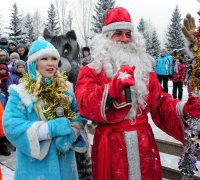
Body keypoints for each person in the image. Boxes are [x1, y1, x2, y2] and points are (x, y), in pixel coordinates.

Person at [75, 7, 200, 180]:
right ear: (106, 38)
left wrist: (184, 110)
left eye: (128, 34)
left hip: (143, 145)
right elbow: (84, 104)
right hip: (110, 146)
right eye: (118, 33)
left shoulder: (145, 70)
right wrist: (111, 89)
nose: (124, 39)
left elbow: (160, 102)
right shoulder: (91, 70)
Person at [3, 38, 88, 180]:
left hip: (66, 166)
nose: (50, 63)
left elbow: (79, 115)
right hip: (35, 169)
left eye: (54, 58)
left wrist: (71, 134)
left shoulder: (66, 88)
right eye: (44, 58)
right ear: (34, 62)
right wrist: (50, 129)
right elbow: (11, 126)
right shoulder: (21, 92)